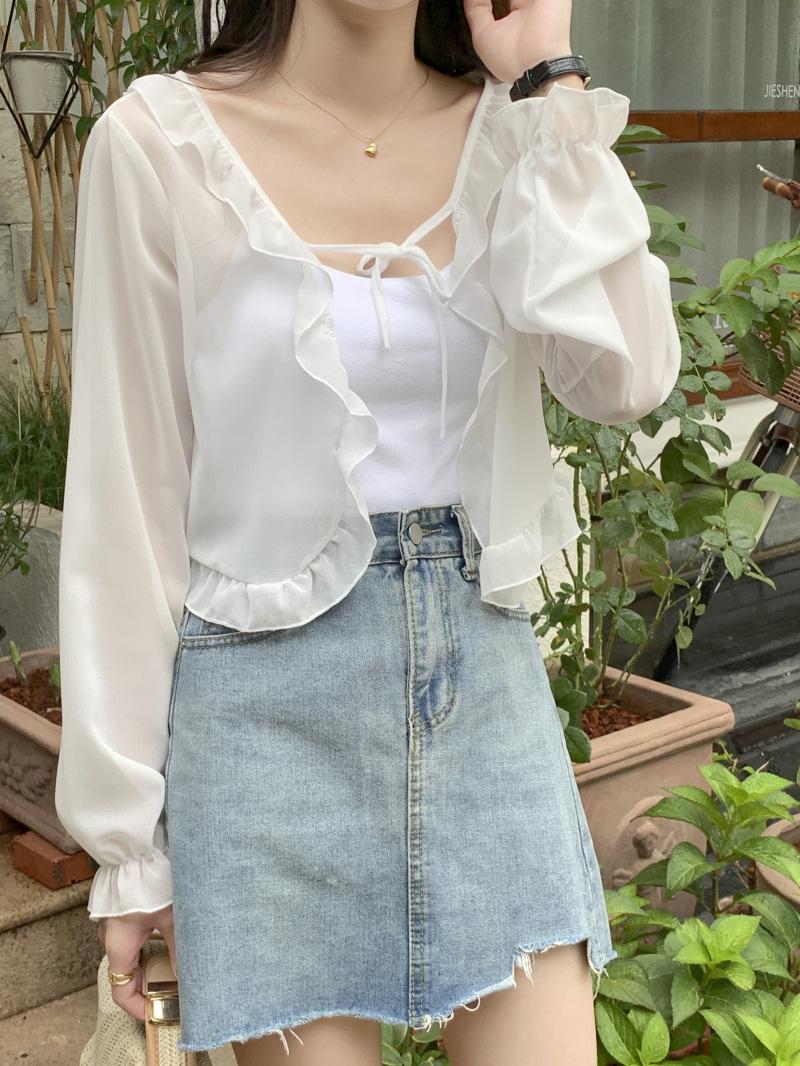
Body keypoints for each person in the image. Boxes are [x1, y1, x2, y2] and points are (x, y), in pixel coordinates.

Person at [54, 0, 682, 1063]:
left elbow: (626, 377)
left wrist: (546, 81)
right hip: (263, 725)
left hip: (486, 699)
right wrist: (129, 847)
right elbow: (129, 499)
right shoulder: (159, 142)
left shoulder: (516, 131)